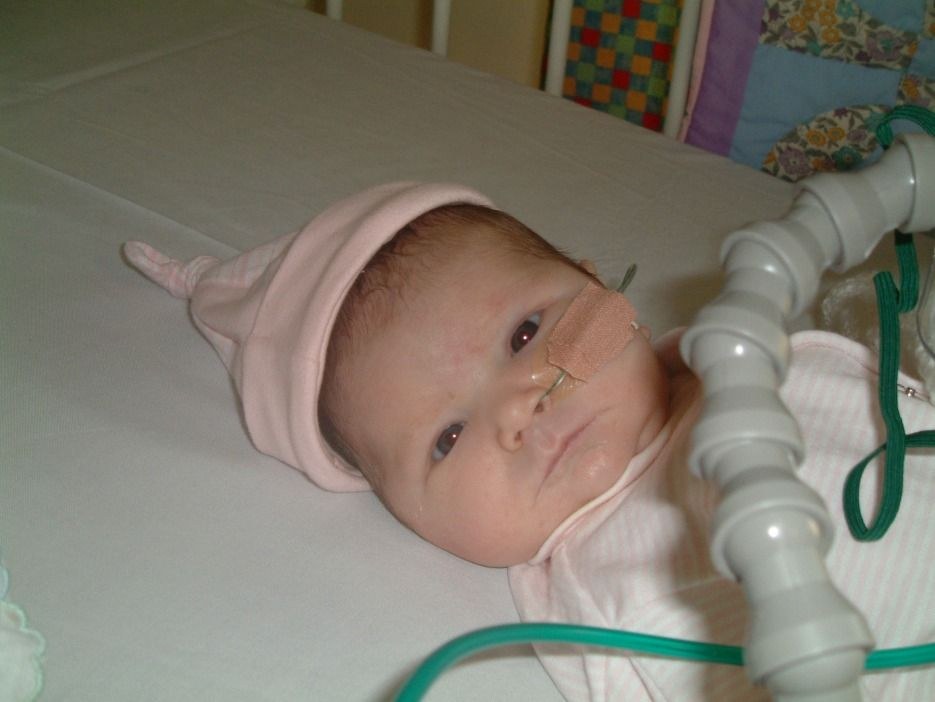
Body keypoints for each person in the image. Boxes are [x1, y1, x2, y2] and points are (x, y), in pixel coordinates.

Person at [125, 181, 935, 700]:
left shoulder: (753, 348)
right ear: (408, 519)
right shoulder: (599, 600)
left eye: (522, 335)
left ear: (594, 283)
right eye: (447, 438)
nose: (519, 410)